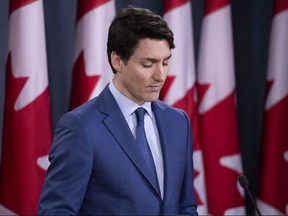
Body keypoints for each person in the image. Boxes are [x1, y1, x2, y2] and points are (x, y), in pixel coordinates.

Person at [38, 5, 198, 215]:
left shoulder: (178, 122)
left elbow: (185, 207)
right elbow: (56, 211)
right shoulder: (80, 127)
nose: (160, 75)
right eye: (148, 64)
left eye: (165, 62)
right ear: (118, 61)